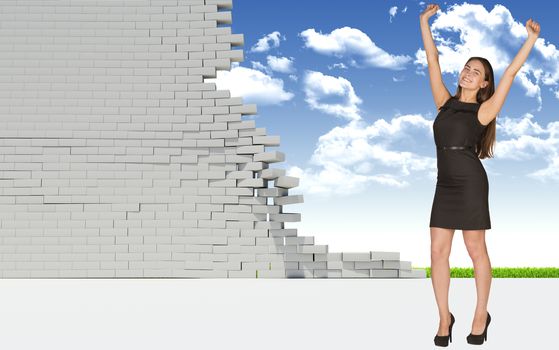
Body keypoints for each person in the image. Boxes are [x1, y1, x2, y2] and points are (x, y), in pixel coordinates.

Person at [419, 3, 541, 347]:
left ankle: (480, 314)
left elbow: (511, 74)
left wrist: (530, 39)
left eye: (476, 71)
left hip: (471, 183)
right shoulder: (444, 102)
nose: (468, 72)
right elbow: (433, 61)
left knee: (476, 251)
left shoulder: (484, 110)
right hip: (444, 184)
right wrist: (424, 22)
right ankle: (444, 317)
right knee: (437, 253)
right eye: (466, 68)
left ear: (484, 83)